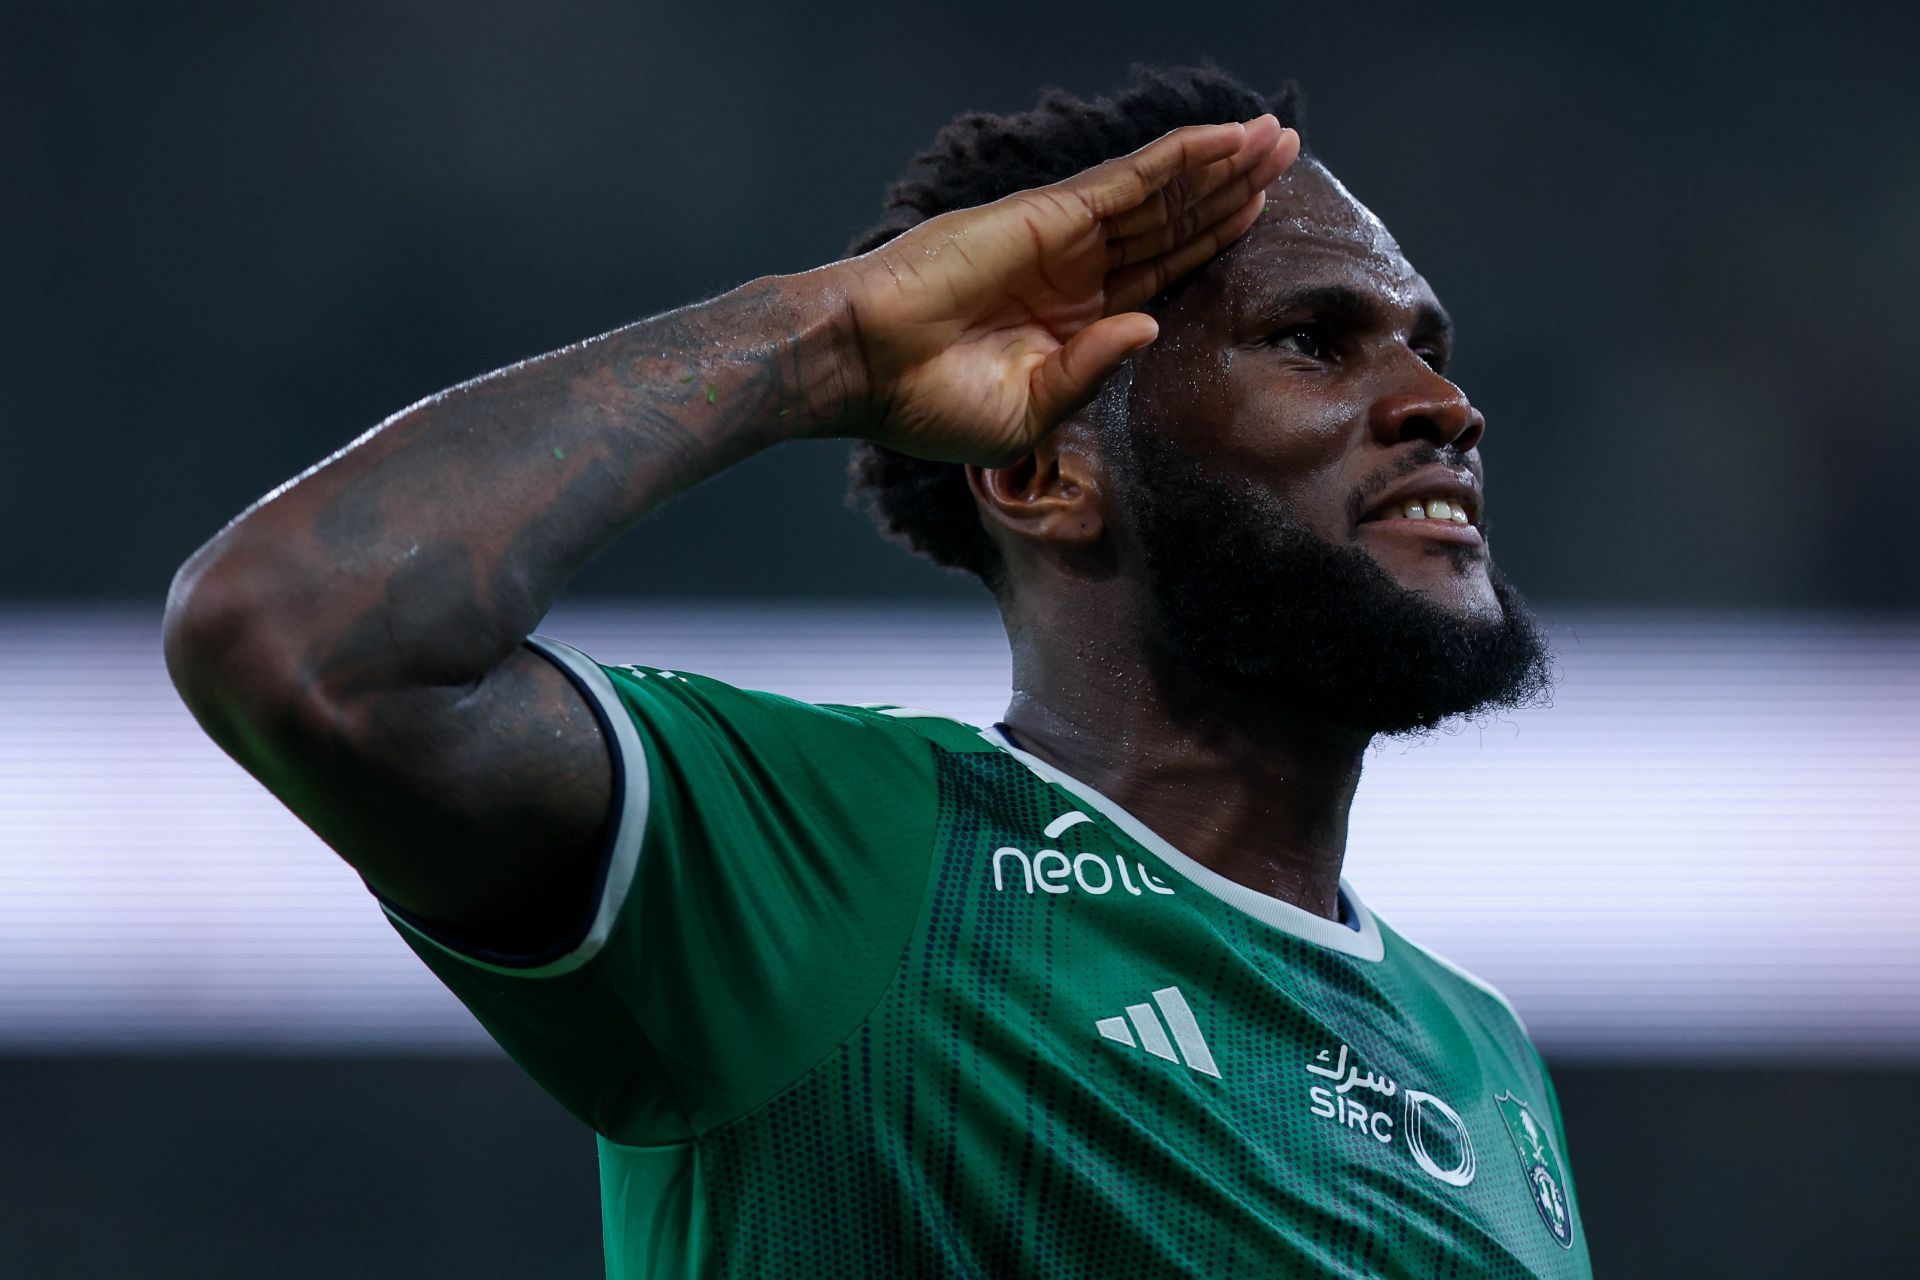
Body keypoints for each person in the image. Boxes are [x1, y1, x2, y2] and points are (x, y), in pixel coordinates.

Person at [164, 63, 1587, 1278]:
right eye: (1310, 341)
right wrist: (829, 339)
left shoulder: (1481, 1055)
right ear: (1040, 474)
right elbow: (298, 633)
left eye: (1430, 350)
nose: (1442, 407)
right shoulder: (848, 858)